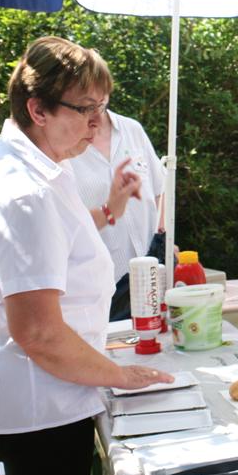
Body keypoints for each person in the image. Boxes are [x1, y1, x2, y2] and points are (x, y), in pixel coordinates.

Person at [0, 37, 173, 475]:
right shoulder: (23, 191)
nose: (98, 124)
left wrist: (111, 210)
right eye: (85, 109)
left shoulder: (38, 165)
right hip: (38, 398)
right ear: (39, 109)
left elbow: (59, 237)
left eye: (103, 107)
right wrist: (119, 376)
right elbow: (38, 333)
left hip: (48, 388)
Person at [72, 100, 167, 321]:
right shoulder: (66, 143)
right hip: (102, 284)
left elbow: (160, 188)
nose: (95, 103)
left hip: (151, 269)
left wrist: (163, 236)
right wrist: (110, 209)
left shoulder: (131, 129)